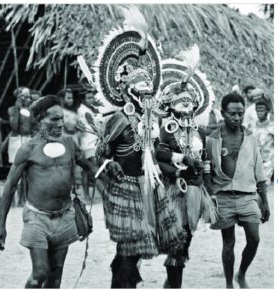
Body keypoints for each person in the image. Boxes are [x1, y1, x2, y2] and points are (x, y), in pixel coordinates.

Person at [94, 7, 185, 288]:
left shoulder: (150, 118)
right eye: (140, 83)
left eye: (148, 83)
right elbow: (102, 155)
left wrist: (177, 159)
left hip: (149, 184)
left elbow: (155, 149)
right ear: (128, 90)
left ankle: (124, 279)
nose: (146, 88)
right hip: (127, 188)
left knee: (138, 248)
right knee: (131, 248)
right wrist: (112, 168)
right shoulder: (120, 118)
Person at [0, 95, 95, 288]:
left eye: (62, 118)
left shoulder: (69, 143)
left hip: (65, 217)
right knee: (40, 273)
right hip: (37, 218)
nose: (60, 124)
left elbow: (90, 167)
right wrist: (1, 226)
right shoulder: (28, 149)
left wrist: (110, 169)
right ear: (39, 119)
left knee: (55, 279)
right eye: (54, 119)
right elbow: (9, 188)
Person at [156, 47, 217, 288]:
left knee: (187, 239)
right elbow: (158, 154)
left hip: (197, 190)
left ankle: (171, 282)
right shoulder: (167, 129)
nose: (187, 106)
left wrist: (210, 192)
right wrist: (181, 161)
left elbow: (208, 163)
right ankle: (174, 282)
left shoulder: (200, 131)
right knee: (178, 242)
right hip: (176, 191)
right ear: (171, 106)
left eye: (189, 102)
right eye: (181, 102)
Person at [206, 92, 270, 289]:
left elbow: (259, 170)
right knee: (228, 243)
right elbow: (207, 169)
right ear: (223, 113)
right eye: (232, 114)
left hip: (247, 196)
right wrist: (211, 196)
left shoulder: (250, 138)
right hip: (223, 196)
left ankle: (241, 274)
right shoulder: (213, 139)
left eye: (240, 113)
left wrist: (265, 201)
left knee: (254, 239)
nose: (237, 118)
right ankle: (228, 285)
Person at [77, 82, 104, 201]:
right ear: (83, 100)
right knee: (93, 168)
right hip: (90, 142)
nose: (91, 99)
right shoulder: (86, 111)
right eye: (88, 97)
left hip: (87, 142)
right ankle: (99, 193)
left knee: (86, 170)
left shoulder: (85, 109)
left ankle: (87, 195)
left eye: (92, 97)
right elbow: (95, 127)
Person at [8, 87, 34, 206]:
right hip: (17, 140)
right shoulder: (12, 109)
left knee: (26, 171)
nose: (29, 99)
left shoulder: (30, 111)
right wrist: (17, 109)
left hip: (28, 139)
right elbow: (14, 126)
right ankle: (12, 198)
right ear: (19, 98)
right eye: (26, 96)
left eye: (29, 96)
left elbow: (32, 126)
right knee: (16, 170)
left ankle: (23, 198)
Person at [252, 99, 274, 185]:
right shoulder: (252, 127)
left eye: (262, 110)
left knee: (263, 184)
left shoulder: (272, 127)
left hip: (268, 161)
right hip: (254, 160)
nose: (259, 113)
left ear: (267, 111)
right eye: (258, 110)